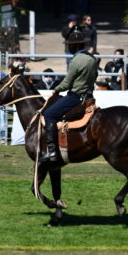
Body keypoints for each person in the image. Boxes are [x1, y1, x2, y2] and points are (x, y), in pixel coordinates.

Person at [40, 30, 98, 162]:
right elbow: (95, 77)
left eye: (70, 45)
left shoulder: (76, 61)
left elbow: (67, 83)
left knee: (49, 114)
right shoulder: (92, 59)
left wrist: (56, 90)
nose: (68, 47)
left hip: (75, 97)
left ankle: (52, 152)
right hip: (89, 97)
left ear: (75, 46)